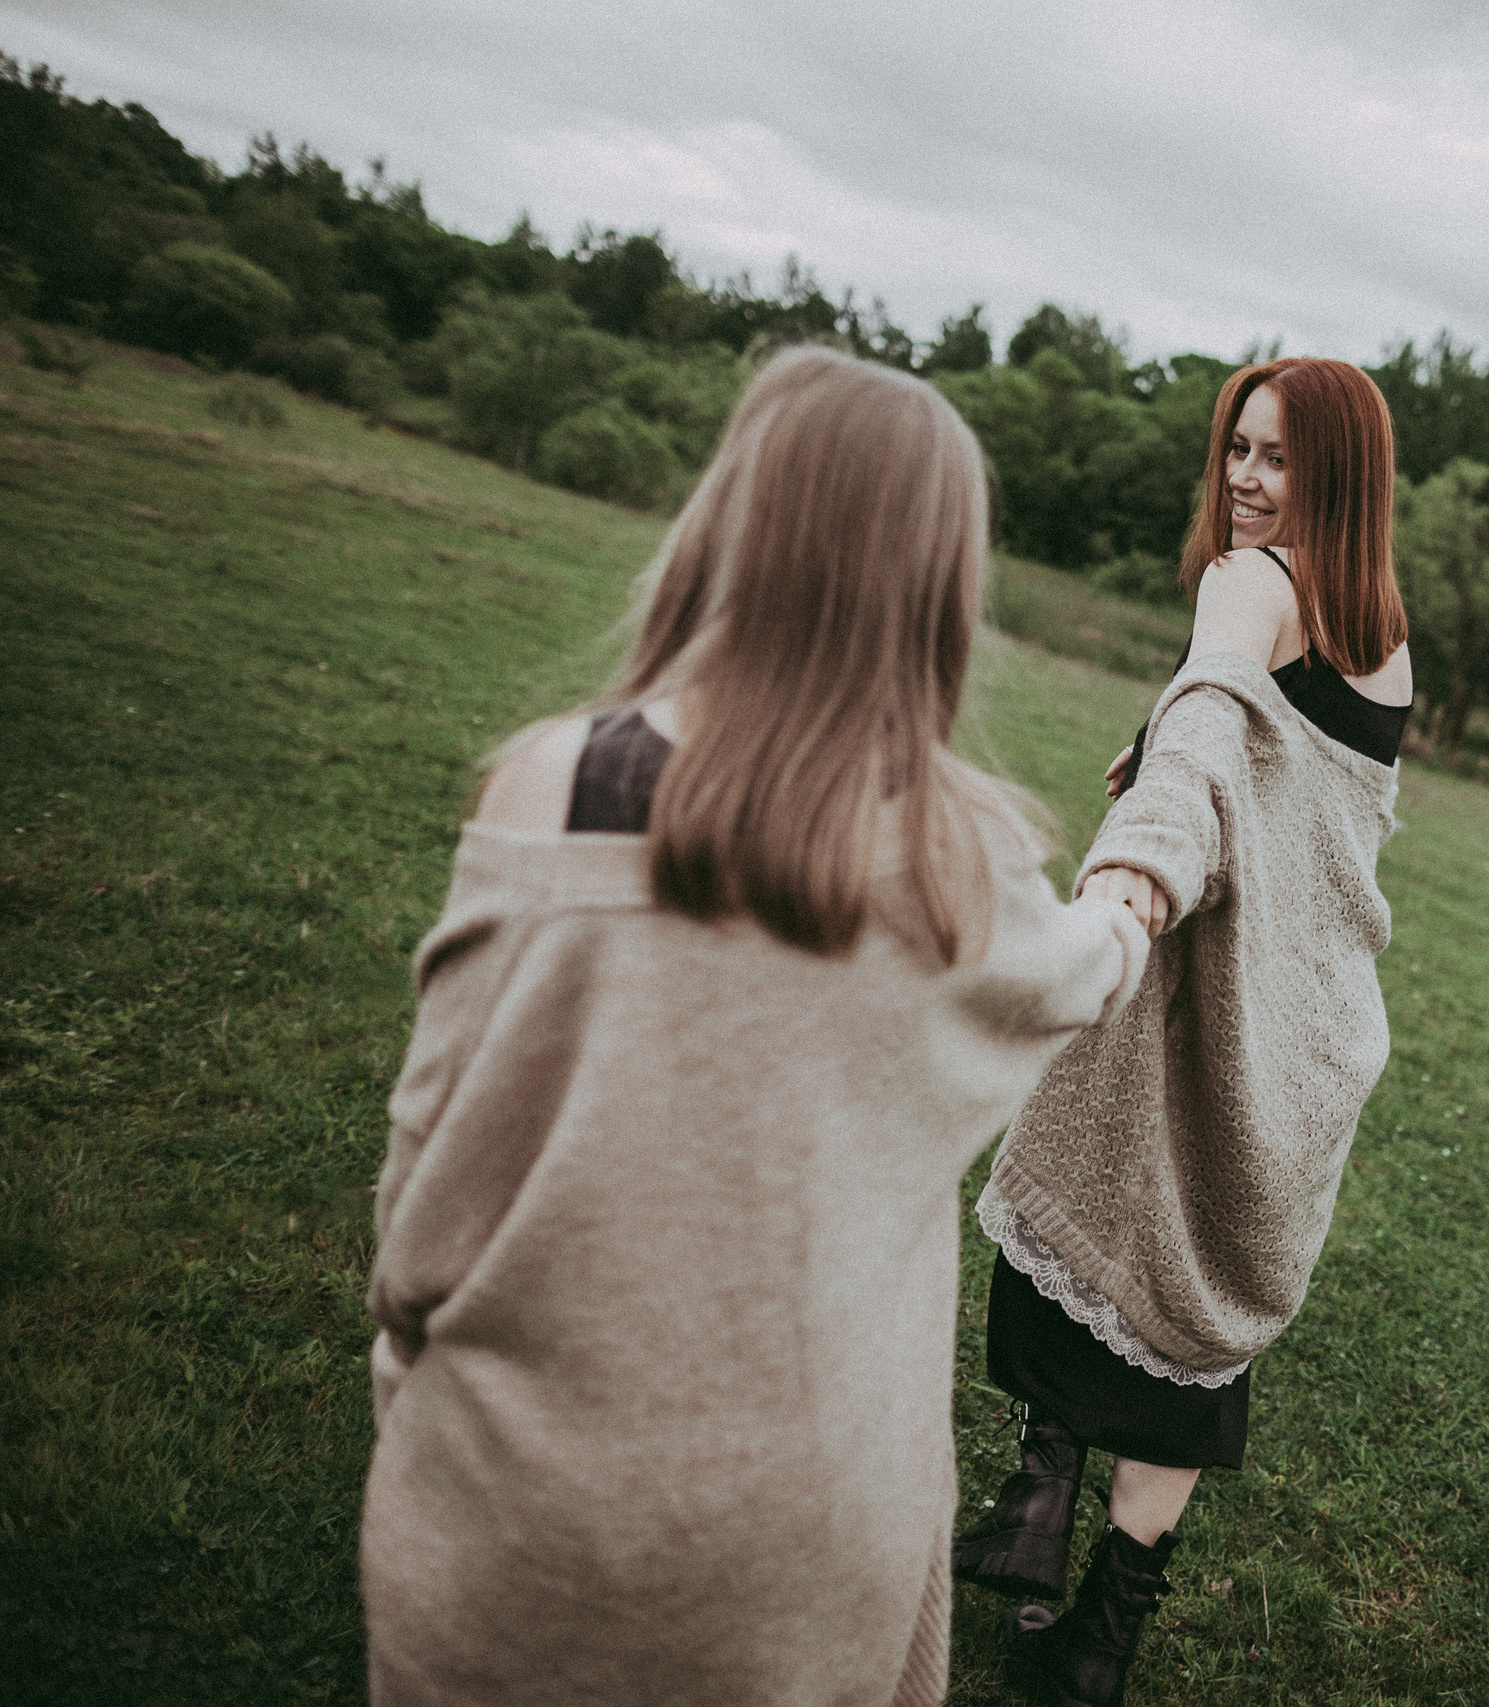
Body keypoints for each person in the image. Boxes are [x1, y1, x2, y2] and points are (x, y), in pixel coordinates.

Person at [360, 348, 1152, 1707]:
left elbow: (422, 1186)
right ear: (939, 591)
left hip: (504, 1513)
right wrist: (1141, 854)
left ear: (726, 524)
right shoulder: (964, 867)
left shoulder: (552, 782)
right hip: (799, 1560)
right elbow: (1101, 962)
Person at [954, 357, 1412, 1706]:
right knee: (1201, 1330)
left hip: (1209, 1002)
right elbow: (1294, 772)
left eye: (1278, 457)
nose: (1246, 479)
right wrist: (1154, 736)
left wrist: (1132, 863)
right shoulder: (1382, 626)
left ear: (1340, 474)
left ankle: (1038, 1503)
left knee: (1076, 1212)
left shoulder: (1251, 586)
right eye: (1237, 450)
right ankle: (1101, 1637)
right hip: (1313, 1035)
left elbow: (1215, 732)